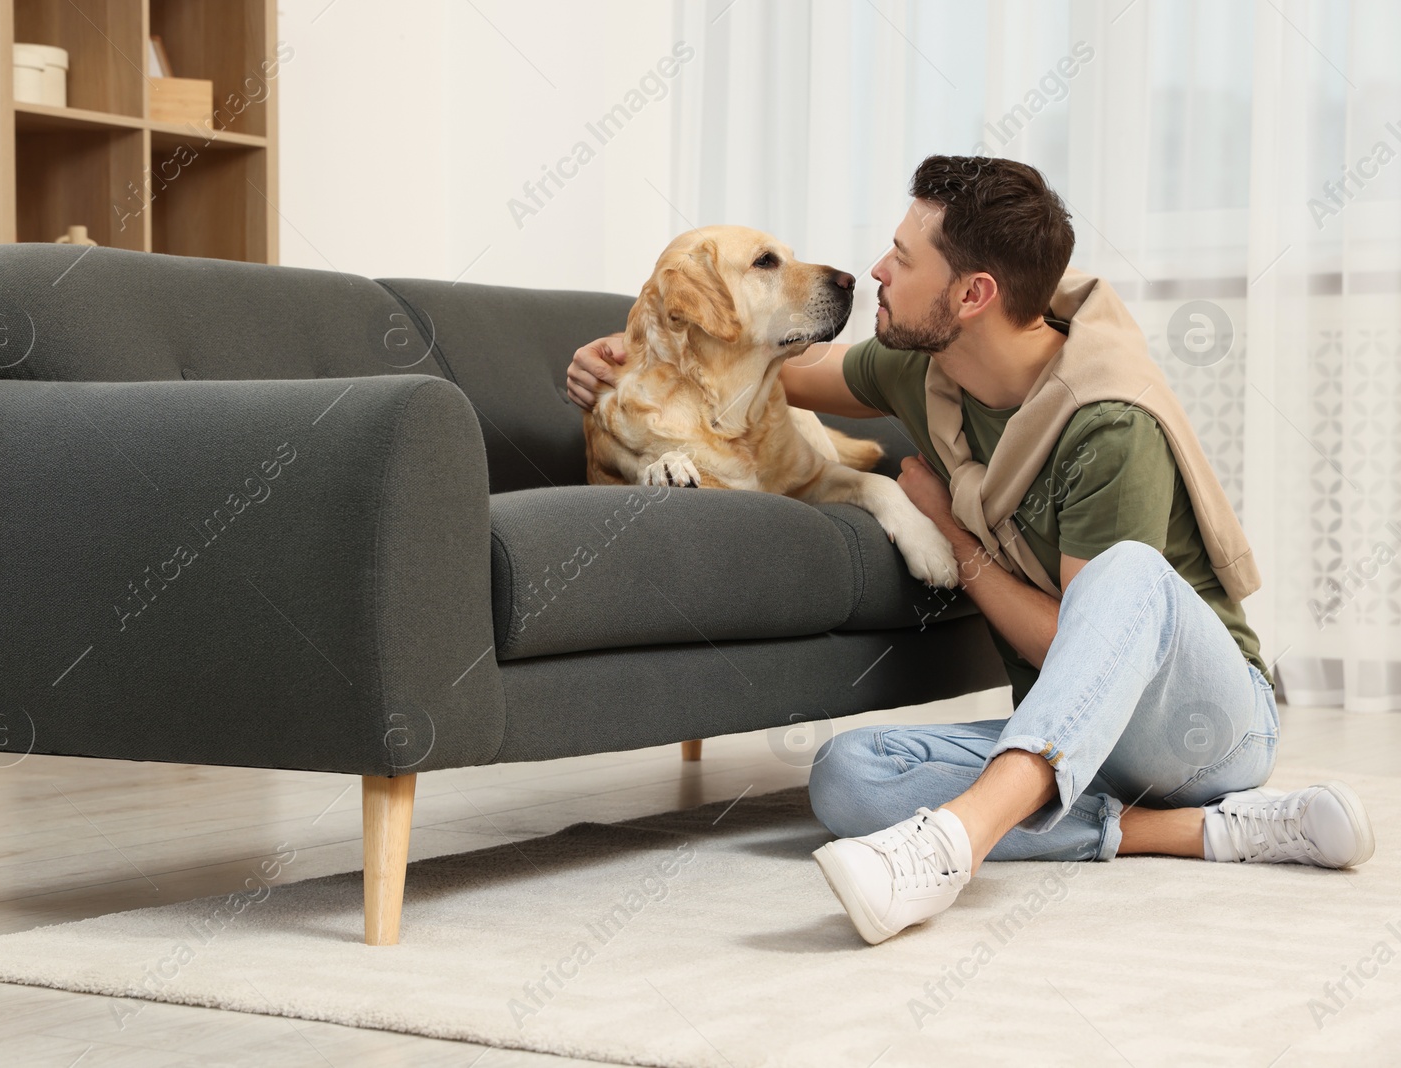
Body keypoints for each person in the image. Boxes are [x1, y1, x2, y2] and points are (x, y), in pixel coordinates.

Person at [565, 155, 1375, 946]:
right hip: (1069, 738)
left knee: (1125, 573)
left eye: (904, 258)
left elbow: (1082, 649)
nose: (877, 268)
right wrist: (630, 349)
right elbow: (765, 363)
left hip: (1200, 726)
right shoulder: (920, 367)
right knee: (847, 779)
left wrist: (950, 533)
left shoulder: (1110, 423)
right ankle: (1201, 833)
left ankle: (954, 843)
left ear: (973, 294)